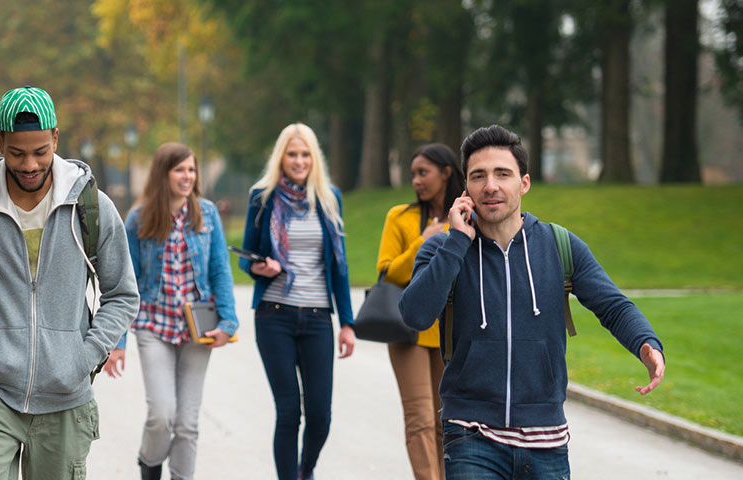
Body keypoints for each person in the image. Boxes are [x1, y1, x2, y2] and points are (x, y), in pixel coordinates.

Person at [399, 125, 666, 479]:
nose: (490, 185)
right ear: (466, 188)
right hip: (470, 433)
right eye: (478, 176)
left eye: (502, 174)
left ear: (523, 183)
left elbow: (613, 306)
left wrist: (646, 342)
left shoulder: (560, 245)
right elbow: (415, 315)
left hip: (547, 440)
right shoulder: (443, 248)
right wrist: (456, 243)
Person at [0, 85, 139, 479]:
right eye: (17, 153)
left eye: (41, 151)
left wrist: (84, 356)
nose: (29, 165)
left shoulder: (91, 207)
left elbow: (122, 294)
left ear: (56, 137)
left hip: (67, 397)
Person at [101, 142, 238, 480]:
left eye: (192, 170)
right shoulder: (140, 217)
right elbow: (124, 282)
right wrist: (117, 343)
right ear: (164, 174)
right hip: (153, 326)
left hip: (198, 329)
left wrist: (228, 321)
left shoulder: (206, 214)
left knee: (188, 423)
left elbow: (220, 269)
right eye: (180, 170)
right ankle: (149, 465)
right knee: (162, 415)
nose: (188, 176)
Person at [239, 123, 355, 480]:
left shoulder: (329, 197)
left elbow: (340, 266)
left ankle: (305, 471)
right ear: (281, 157)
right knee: (289, 411)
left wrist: (348, 323)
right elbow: (246, 257)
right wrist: (263, 266)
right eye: (292, 154)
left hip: (319, 318)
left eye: (305, 154)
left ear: (314, 157)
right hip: (274, 315)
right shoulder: (263, 196)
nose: (299, 161)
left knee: (321, 414)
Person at [375, 142, 464, 480]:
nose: (416, 180)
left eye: (423, 173)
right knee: (420, 419)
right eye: (413, 174)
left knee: (448, 419)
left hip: (451, 332)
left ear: (445, 172)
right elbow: (389, 272)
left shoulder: (466, 215)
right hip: (407, 330)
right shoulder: (399, 217)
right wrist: (424, 241)